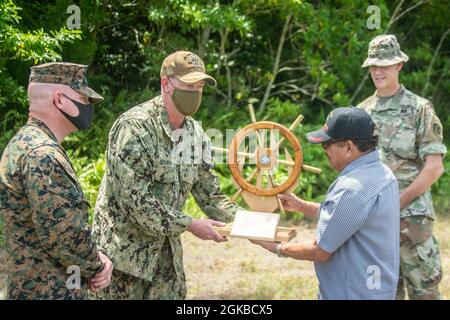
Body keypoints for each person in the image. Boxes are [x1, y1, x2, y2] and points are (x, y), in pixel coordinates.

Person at [92, 51, 241, 299]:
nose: (195, 92)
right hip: (123, 265)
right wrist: (191, 225)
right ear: (165, 83)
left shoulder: (194, 135)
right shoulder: (135, 127)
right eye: (188, 85)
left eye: (200, 86)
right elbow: (135, 203)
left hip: (166, 266)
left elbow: (211, 196)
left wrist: (253, 228)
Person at [252, 107, 400, 300]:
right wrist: (302, 206)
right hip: (376, 290)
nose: (325, 151)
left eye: (327, 144)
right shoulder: (383, 174)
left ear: (348, 147)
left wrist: (276, 247)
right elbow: (350, 218)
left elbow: (319, 252)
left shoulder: (351, 188)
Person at [0, 62, 113, 299]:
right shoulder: (42, 154)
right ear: (60, 100)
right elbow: (64, 236)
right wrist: (98, 265)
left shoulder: (24, 143)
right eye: (83, 99)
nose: (88, 107)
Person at [357, 35, 447, 300]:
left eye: (384, 65)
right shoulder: (362, 113)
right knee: (382, 293)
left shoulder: (419, 109)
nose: (378, 71)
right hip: (376, 222)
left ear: (399, 66)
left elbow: (434, 168)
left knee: (424, 293)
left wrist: (397, 202)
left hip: (413, 221)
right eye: (373, 65)